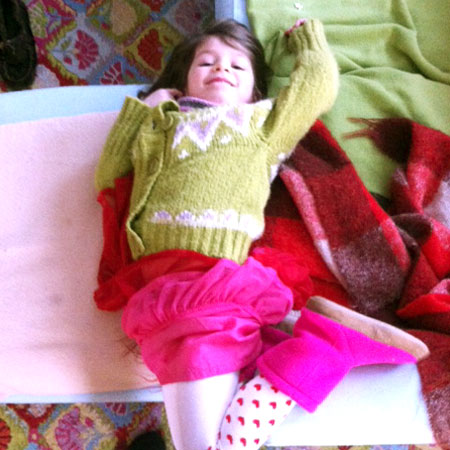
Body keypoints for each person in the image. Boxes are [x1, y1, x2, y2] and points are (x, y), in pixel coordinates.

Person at [94, 17, 426, 450]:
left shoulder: (261, 125)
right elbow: (109, 177)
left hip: (206, 286)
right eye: (206, 62)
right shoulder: (160, 125)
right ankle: (326, 347)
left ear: (254, 91)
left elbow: (316, 87)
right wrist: (143, 111)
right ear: (183, 79)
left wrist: (307, 37)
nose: (221, 68)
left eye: (237, 66)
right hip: (164, 289)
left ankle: (326, 347)